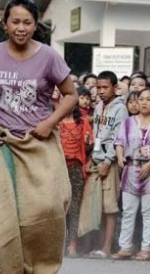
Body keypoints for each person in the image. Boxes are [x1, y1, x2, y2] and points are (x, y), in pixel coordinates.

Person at [0, 0, 77, 273]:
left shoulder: (49, 56)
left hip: (40, 143)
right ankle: (12, 266)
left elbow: (70, 95)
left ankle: (39, 265)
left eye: (27, 22)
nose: (21, 28)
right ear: (4, 24)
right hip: (4, 143)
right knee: (2, 216)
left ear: (35, 25)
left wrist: (50, 122)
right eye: (15, 22)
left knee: (47, 208)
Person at [112, 88, 150, 261]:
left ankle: (146, 249)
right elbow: (120, 141)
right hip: (131, 169)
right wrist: (120, 157)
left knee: (149, 212)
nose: (144, 102)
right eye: (141, 99)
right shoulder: (128, 122)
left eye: (148, 99)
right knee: (128, 211)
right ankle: (125, 247)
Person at [87, 71, 129, 259]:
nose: (102, 91)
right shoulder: (98, 108)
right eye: (99, 88)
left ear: (114, 88)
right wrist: (92, 157)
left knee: (110, 206)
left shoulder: (120, 109)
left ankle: (107, 247)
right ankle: (99, 246)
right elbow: (97, 135)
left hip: (109, 162)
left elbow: (118, 137)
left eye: (105, 87)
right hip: (97, 159)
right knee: (99, 206)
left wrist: (108, 160)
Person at [59, 89, 93, 257]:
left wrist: (88, 144)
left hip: (75, 168)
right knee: (59, 207)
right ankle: (60, 243)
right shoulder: (55, 123)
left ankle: (72, 244)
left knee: (74, 208)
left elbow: (88, 147)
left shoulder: (83, 122)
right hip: (58, 170)